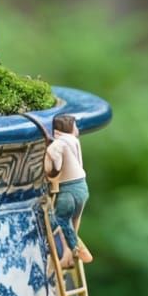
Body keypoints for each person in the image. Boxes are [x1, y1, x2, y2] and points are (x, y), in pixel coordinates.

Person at [45, 113, 91, 268]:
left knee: (58, 219)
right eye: (75, 125)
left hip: (68, 189)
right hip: (82, 188)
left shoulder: (59, 143)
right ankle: (70, 254)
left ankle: (75, 250)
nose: (77, 128)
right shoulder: (73, 141)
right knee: (72, 222)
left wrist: (52, 174)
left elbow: (55, 165)